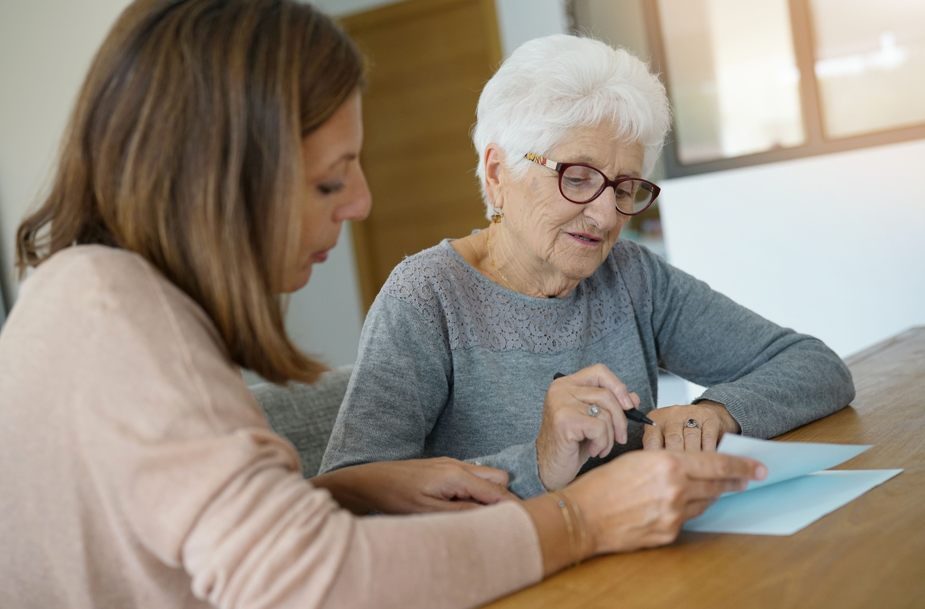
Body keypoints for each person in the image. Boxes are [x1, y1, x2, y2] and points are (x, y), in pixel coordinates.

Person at [0, 2, 767, 608]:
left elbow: (187, 543)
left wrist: (334, 488)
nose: (361, 203)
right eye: (330, 181)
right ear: (223, 178)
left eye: (622, 187)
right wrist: (582, 518)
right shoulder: (111, 316)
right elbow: (307, 581)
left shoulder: (106, 301)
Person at [320, 34, 855, 498]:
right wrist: (540, 463)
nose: (604, 215)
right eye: (577, 177)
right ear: (498, 171)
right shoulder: (427, 296)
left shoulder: (630, 275)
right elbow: (352, 491)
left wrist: (715, 412)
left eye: (625, 186)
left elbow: (814, 366)